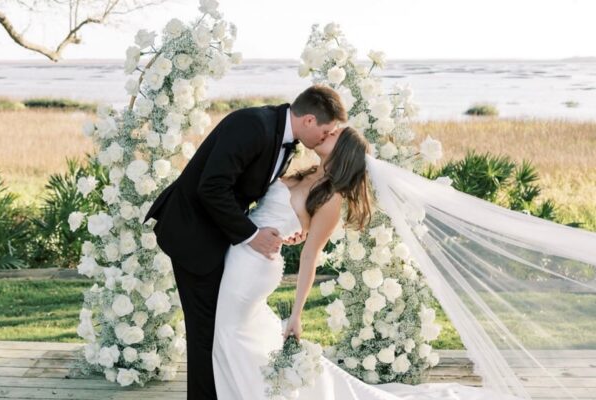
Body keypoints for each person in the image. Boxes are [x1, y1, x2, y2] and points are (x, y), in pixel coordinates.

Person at [212, 126, 527, 400]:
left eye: (334, 135)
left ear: (343, 152)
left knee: (229, 332)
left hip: (253, 270)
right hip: (244, 254)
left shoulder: (332, 199)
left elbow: (310, 256)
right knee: (243, 337)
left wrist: (296, 314)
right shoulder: (307, 171)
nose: (327, 133)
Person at [142, 85, 348, 400]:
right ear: (308, 120)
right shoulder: (253, 125)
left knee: (213, 333)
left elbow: (244, 192)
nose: (325, 136)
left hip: (225, 242)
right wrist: (252, 235)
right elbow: (211, 187)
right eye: (325, 130)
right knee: (205, 334)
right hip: (194, 235)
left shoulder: (287, 142)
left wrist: (282, 225)